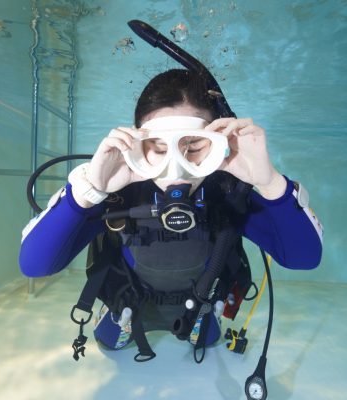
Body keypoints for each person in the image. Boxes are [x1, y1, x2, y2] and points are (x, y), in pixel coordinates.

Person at [19, 69, 323, 360]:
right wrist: (90, 191)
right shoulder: (118, 192)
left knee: (209, 339)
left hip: (199, 303)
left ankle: (200, 319)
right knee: (108, 345)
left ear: (218, 144)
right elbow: (34, 264)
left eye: (193, 146)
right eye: (158, 147)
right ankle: (118, 315)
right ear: (135, 144)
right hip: (128, 301)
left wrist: (269, 182)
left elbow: (303, 258)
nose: (177, 169)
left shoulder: (228, 194)